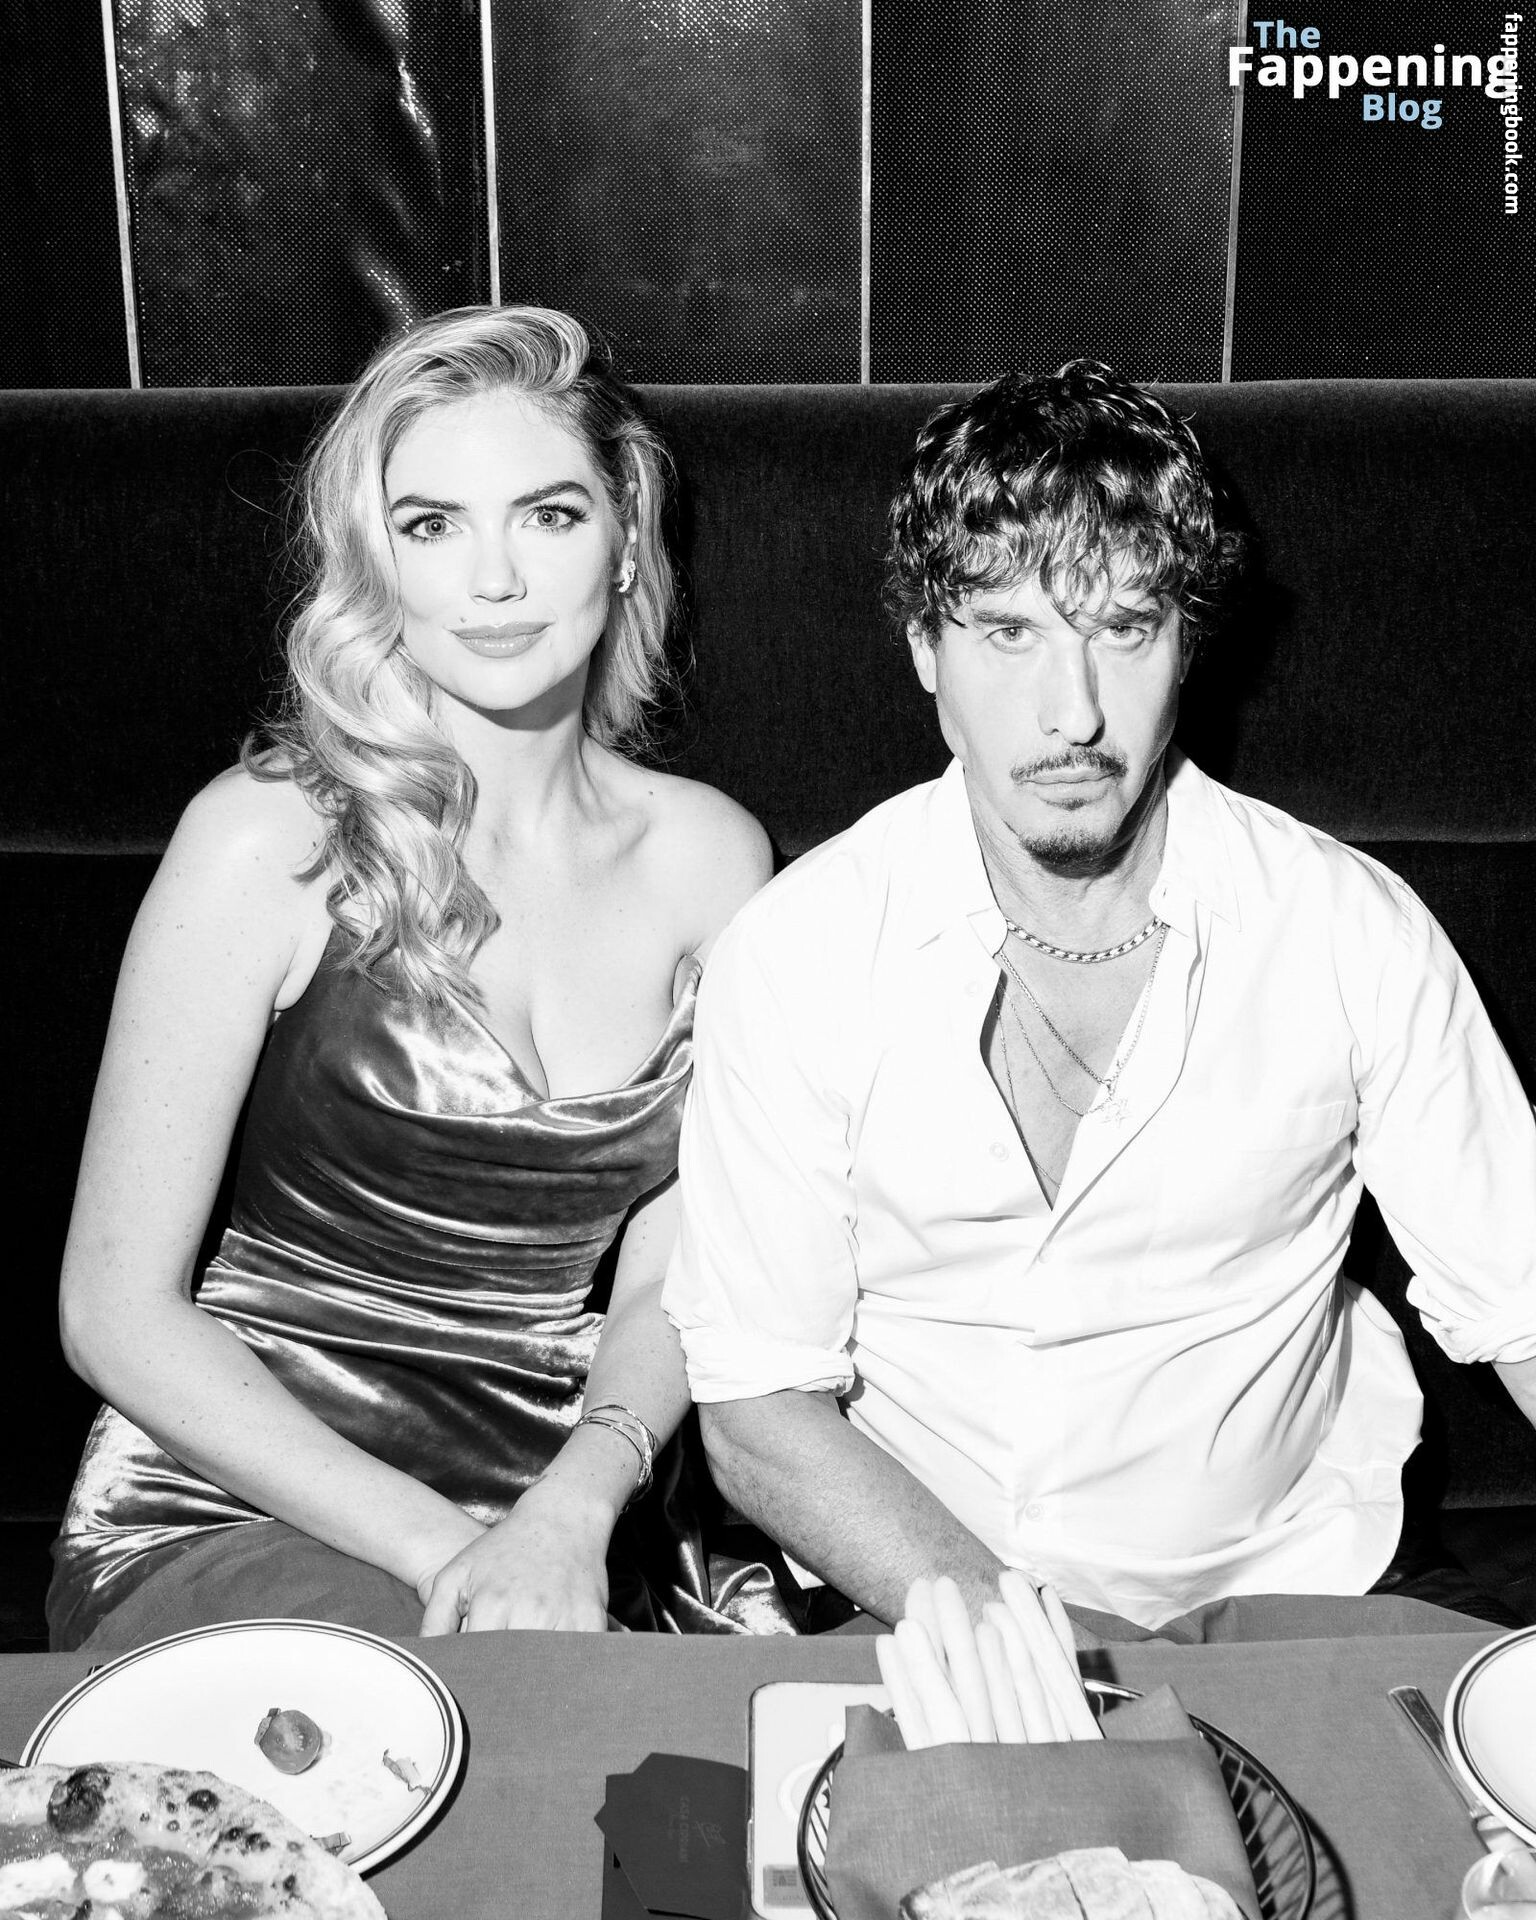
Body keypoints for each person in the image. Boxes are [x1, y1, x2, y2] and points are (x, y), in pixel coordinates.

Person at [662, 359, 1536, 1636]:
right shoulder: (800, 951)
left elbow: (1525, 1303)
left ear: (1189, 646)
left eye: (1125, 628)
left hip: (1299, 1580)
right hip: (919, 1592)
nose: (1070, 715)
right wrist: (1042, 1656)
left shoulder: (1350, 931)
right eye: (1008, 631)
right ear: (925, 648)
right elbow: (757, 1414)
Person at [49, 304, 780, 1651]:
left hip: (572, 1498)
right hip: (242, 1496)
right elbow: (111, 1313)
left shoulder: (713, 860)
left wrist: (573, 1509)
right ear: (374, 565)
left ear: (625, 536)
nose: (494, 580)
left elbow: (675, 1276)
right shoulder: (267, 840)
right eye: (432, 525)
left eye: (548, 514)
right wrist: (454, 1552)